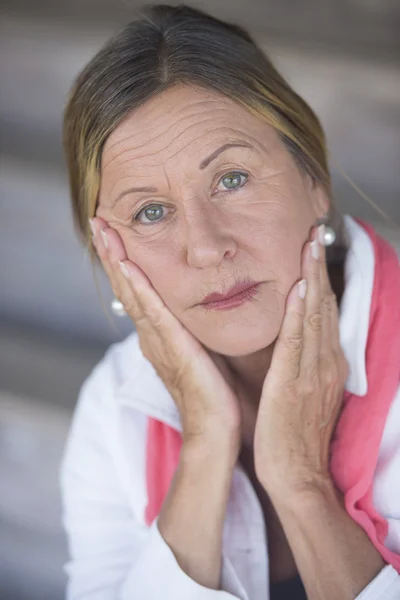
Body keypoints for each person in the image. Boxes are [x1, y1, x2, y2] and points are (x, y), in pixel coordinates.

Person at [59, 4, 400, 599]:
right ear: (110, 253)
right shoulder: (113, 412)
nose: (207, 247)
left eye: (232, 178)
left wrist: (300, 483)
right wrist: (205, 439)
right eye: (151, 212)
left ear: (313, 177)